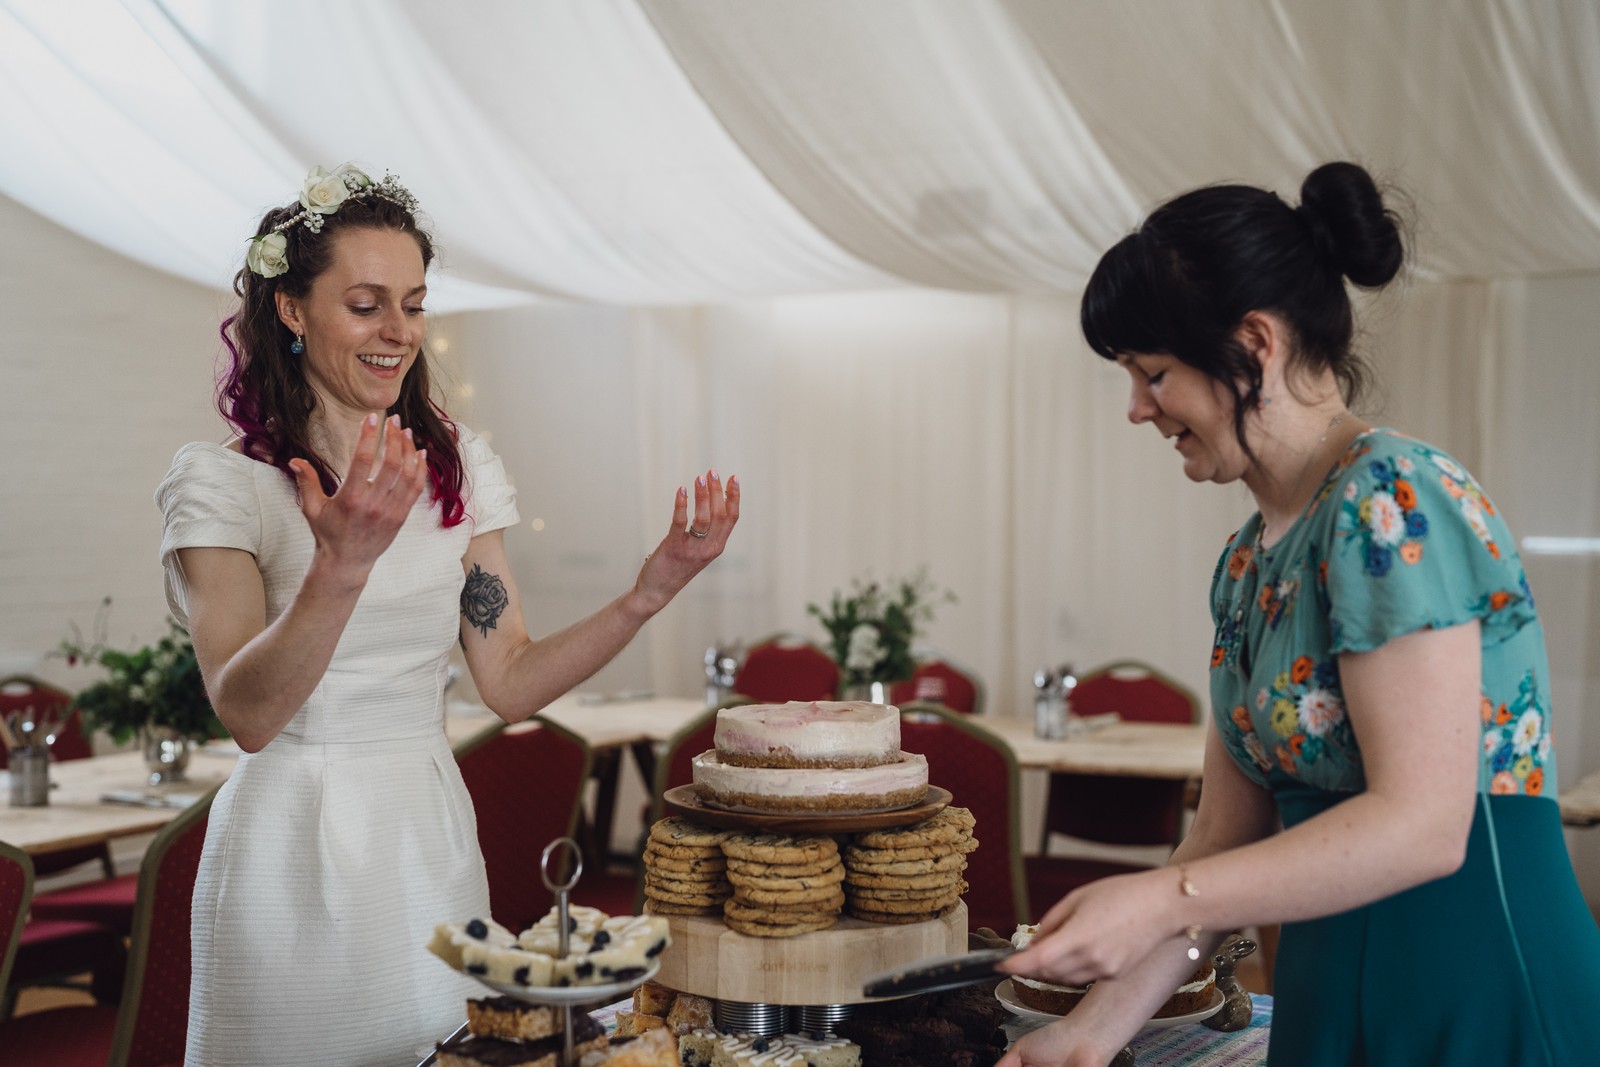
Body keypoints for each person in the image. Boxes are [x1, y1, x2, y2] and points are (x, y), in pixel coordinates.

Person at [999, 162, 1600, 1066]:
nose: (1136, 408)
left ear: (1254, 345)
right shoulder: (1247, 564)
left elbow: (1424, 824)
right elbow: (1219, 843)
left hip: (1479, 995)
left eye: (1153, 372)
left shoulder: (1392, 499)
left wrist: (1162, 899)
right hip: (1330, 1008)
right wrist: (1088, 1034)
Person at [156, 163, 739, 1065]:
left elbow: (508, 680)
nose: (399, 331)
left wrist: (646, 594)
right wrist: (341, 565)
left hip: (427, 837)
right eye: (366, 303)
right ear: (292, 310)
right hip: (291, 849)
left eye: (415, 303)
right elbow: (248, 711)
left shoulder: (456, 463)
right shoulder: (223, 485)